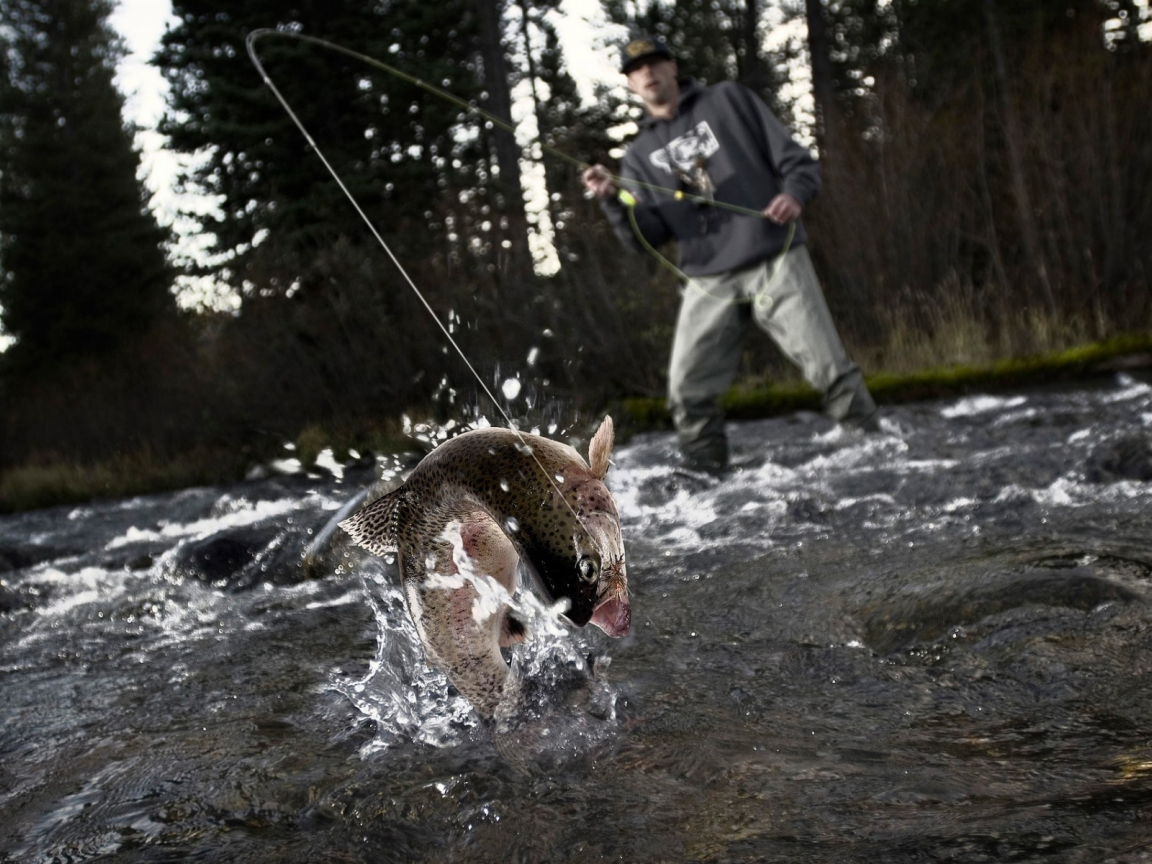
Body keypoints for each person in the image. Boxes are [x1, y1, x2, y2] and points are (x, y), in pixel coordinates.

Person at [582, 34, 878, 473]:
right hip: (707, 279)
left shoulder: (729, 101)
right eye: (636, 69)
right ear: (629, 84)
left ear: (673, 67)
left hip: (773, 255)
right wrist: (611, 200)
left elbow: (798, 161)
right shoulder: (638, 156)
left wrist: (794, 195)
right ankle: (711, 487)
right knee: (687, 396)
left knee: (831, 370)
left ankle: (878, 457)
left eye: (655, 62)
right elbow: (647, 234)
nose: (647, 72)